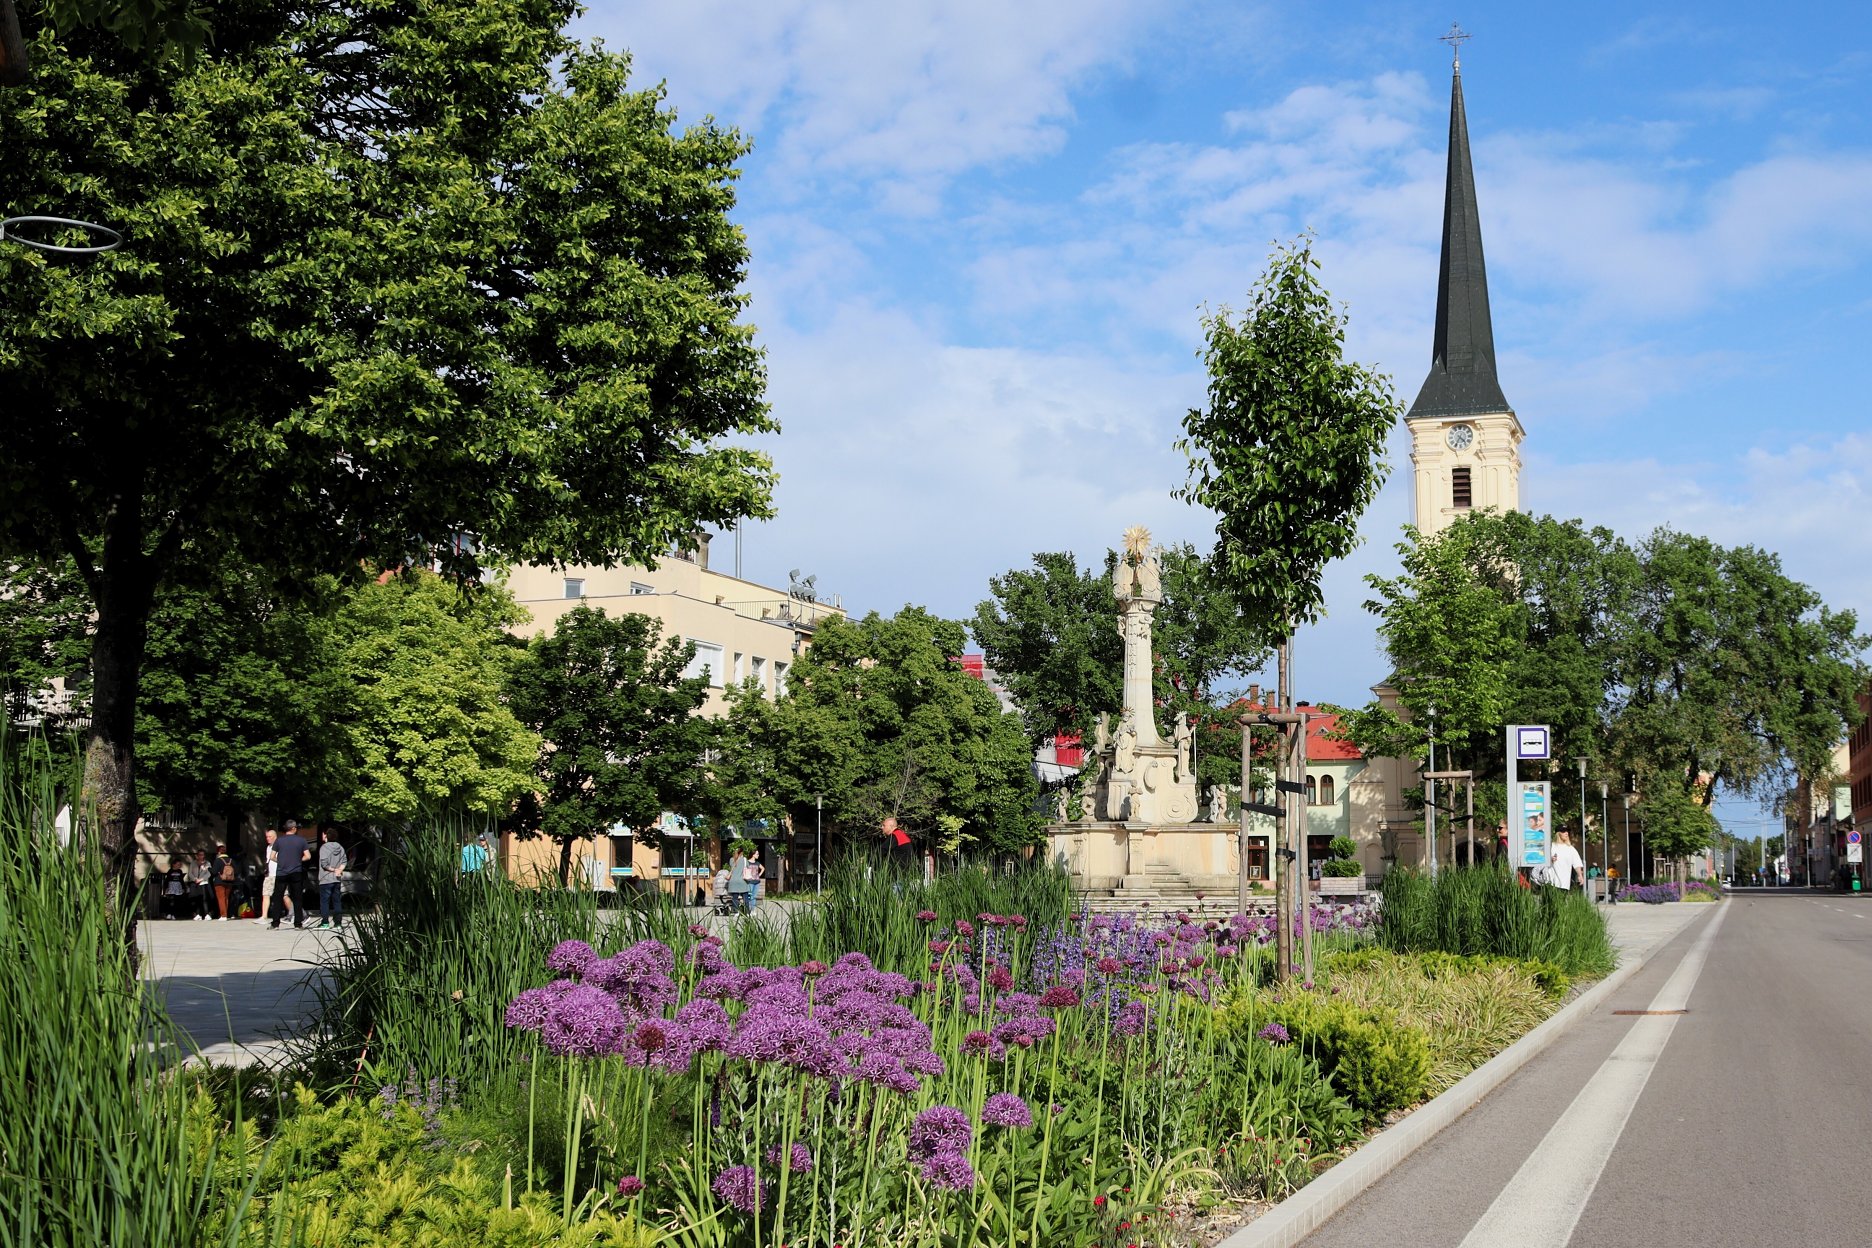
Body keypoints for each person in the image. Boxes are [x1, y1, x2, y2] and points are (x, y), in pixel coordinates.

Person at [269, 820, 312, 930]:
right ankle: (298, 924)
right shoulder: (301, 840)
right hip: (296, 872)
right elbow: (308, 856)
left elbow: (272, 856)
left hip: (281, 872)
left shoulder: (279, 840)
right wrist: (297, 860)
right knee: (297, 897)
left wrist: (281, 861)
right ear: (293, 828)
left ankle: (275, 924)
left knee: (278, 897)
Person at [317, 827, 348, 930]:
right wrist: (339, 870)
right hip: (337, 878)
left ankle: (325, 922)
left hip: (326, 878)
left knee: (325, 901)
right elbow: (344, 861)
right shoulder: (340, 847)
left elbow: (324, 864)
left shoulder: (324, 848)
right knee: (337, 901)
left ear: (326, 836)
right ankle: (338, 923)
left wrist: (334, 869)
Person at [212, 843, 236, 920]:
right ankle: (225, 914)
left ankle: (223, 915)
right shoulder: (231, 860)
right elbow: (237, 871)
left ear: (219, 852)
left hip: (219, 882)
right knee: (226, 898)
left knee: (221, 898)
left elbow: (214, 872)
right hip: (230, 882)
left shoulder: (218, 860)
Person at [189, 849, 215, 920]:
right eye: (200, 855)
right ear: (197, 855)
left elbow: (209, 873)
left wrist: (201, 879)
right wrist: (195, 879)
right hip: (195, 882)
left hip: (203, 882)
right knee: (197, 899)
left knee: (204, 899)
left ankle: (207, 914)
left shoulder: (207, 863)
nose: (201, 856)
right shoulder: (193, 863)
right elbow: (190, 873)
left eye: (202, 855)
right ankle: (198, 914)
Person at [725, 845, 751, 915]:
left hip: (733, 881)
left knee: (735, 898)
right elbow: (748, 867)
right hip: (742, 881)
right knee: (745, 897)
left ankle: (736, 912)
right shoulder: (745, 860)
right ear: (742, 852)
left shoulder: (731, 860)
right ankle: (747, 912)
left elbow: (731, 866)